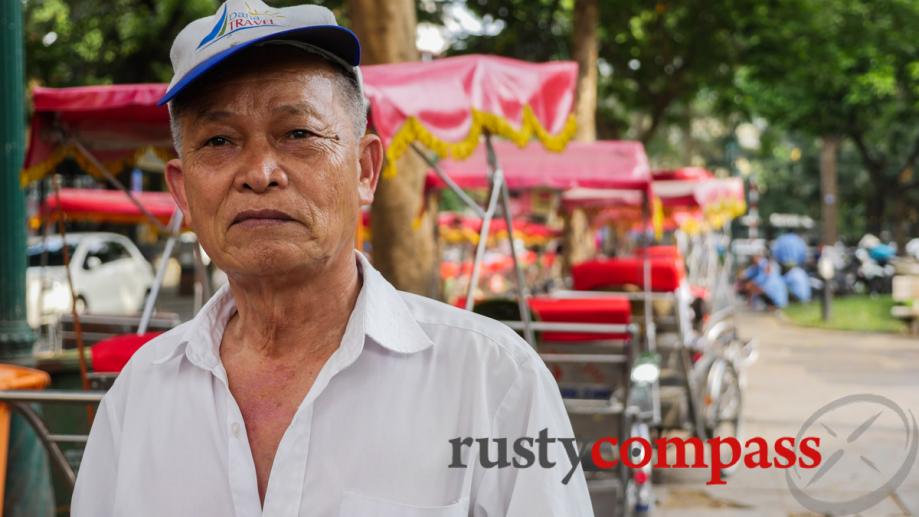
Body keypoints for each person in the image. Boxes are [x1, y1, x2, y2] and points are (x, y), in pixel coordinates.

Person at [71, 2, 592, 516]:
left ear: (365, 170)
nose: (259, 172)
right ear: (182, 193)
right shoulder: (141, 393)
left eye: (298, 134)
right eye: (219, 140)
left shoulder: (493, 378)